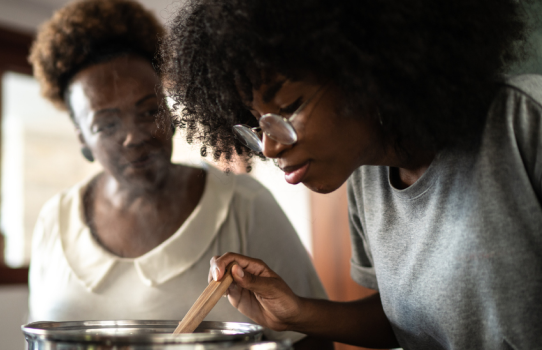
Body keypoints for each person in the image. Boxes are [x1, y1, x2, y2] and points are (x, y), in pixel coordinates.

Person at [162, 0, 542, 349]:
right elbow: (409, 321)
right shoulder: (368, 178)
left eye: (290, 107)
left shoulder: (523, 123)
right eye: (256, 126)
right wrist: (295, 312)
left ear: (367, 68)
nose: (271, 146)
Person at [25, 0, 330, 347]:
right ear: (82, 138)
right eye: (106, 124)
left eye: (149, 110)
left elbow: (314, 340)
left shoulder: (244, 205)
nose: (133, 136)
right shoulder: (54, 221)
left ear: (170, 116)